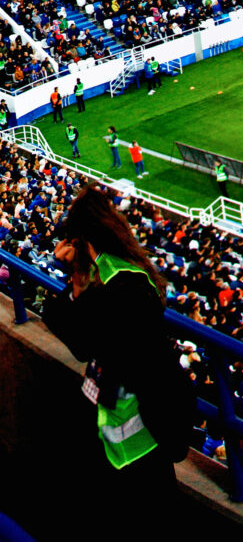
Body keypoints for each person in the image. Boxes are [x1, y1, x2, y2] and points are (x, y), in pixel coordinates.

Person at [27, 186, 198, 504]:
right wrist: (78, 281)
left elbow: (80, 341)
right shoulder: (122, 275)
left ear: (81, 242)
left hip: (138, 435)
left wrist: (76, 279)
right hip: (130, 429)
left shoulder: (118, 287)